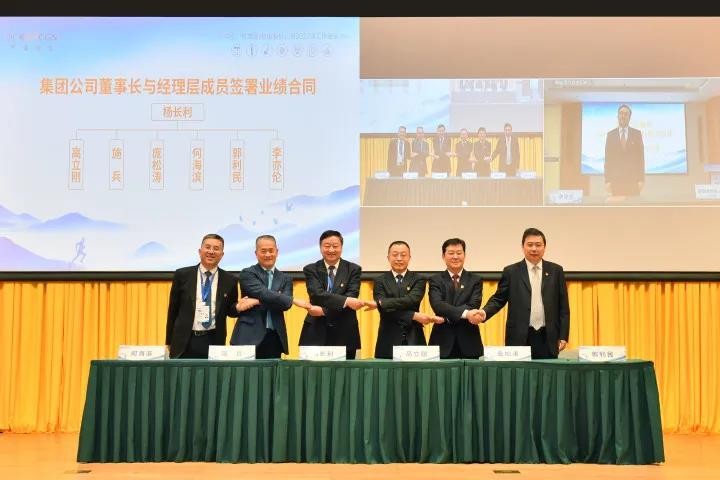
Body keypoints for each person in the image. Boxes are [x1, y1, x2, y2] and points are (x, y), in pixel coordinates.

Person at [479, 228, 570, 359]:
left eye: (538, 245)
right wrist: (484, 312)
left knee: (548, 372)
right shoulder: (511, 271)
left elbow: (564, 307)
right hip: (519, 336)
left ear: (544, 247)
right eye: (530, 245)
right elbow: (499, 299)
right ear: (522, 247)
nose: (534, 249)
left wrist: (563, 335)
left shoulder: (556, 271)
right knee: (520, 372)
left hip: (548, 336)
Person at [230, 235, 314, 358]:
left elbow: (285, 305)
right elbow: (263, 293)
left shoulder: (285, 278)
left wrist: (256, 301)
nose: (268, 254)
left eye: (271, 250)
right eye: (263, 251)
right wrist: (293, 299)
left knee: (273, 371)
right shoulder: (247, 273)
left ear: (277, 252)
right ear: (256, 253)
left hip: (275, 337)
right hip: (248, 336)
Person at [166, 233, 242, 359]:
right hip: (184, 340)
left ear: (222, 254)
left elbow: (230, 311)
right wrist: (168, 341)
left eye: (216, 249)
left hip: (213, 340)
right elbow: (173, 310)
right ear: (200, 251)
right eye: (208, 247)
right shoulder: (182, 275)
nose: (211, 252)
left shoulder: (230, 280)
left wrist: (238, 307)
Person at [365, 240, 442, 359]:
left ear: (409, 257)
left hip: (414, 336)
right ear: (388, 257)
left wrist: (383, 302)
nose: (399, 258)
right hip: (387, 338)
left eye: (403, 255)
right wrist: (414, 316)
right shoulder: (380, 280)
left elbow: (411, 300)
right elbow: (385, 311)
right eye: (395, 255)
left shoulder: (419, 279)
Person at [299, 230, 364, 359]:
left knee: (345, 372)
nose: (331, 250)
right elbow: (317, 294)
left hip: (345, 331)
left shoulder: (353, 269)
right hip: (315, 331)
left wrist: (323, 311)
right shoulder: (311, 269)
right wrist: (345, 301)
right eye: (327, 246)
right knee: (313, 371)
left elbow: (352, 295)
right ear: (320, 247)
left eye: (335, 246)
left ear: (341, 247)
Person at [428, 238, 484, 359]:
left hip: (469, 340)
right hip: (442, 340)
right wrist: (466, 314)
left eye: (459, 253)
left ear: (464, 255)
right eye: (451, 253)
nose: (455, 257)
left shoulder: (475, 280)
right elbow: (438, 305)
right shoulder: (435, 280)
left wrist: (450, 313)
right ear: (443, 256)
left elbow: (474, 305)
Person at [604, 104, 645, 198]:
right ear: (617, 116)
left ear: (629, 117)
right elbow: (608, 160)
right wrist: (607, 180)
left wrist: (641, 179)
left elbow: (641, 159)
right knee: (617, 207)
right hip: (615, 181)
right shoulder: (610, 135)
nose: (623, 116)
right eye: (621, 113)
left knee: (633, 207)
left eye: (626, 114)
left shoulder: (637, 134)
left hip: (633, 181)